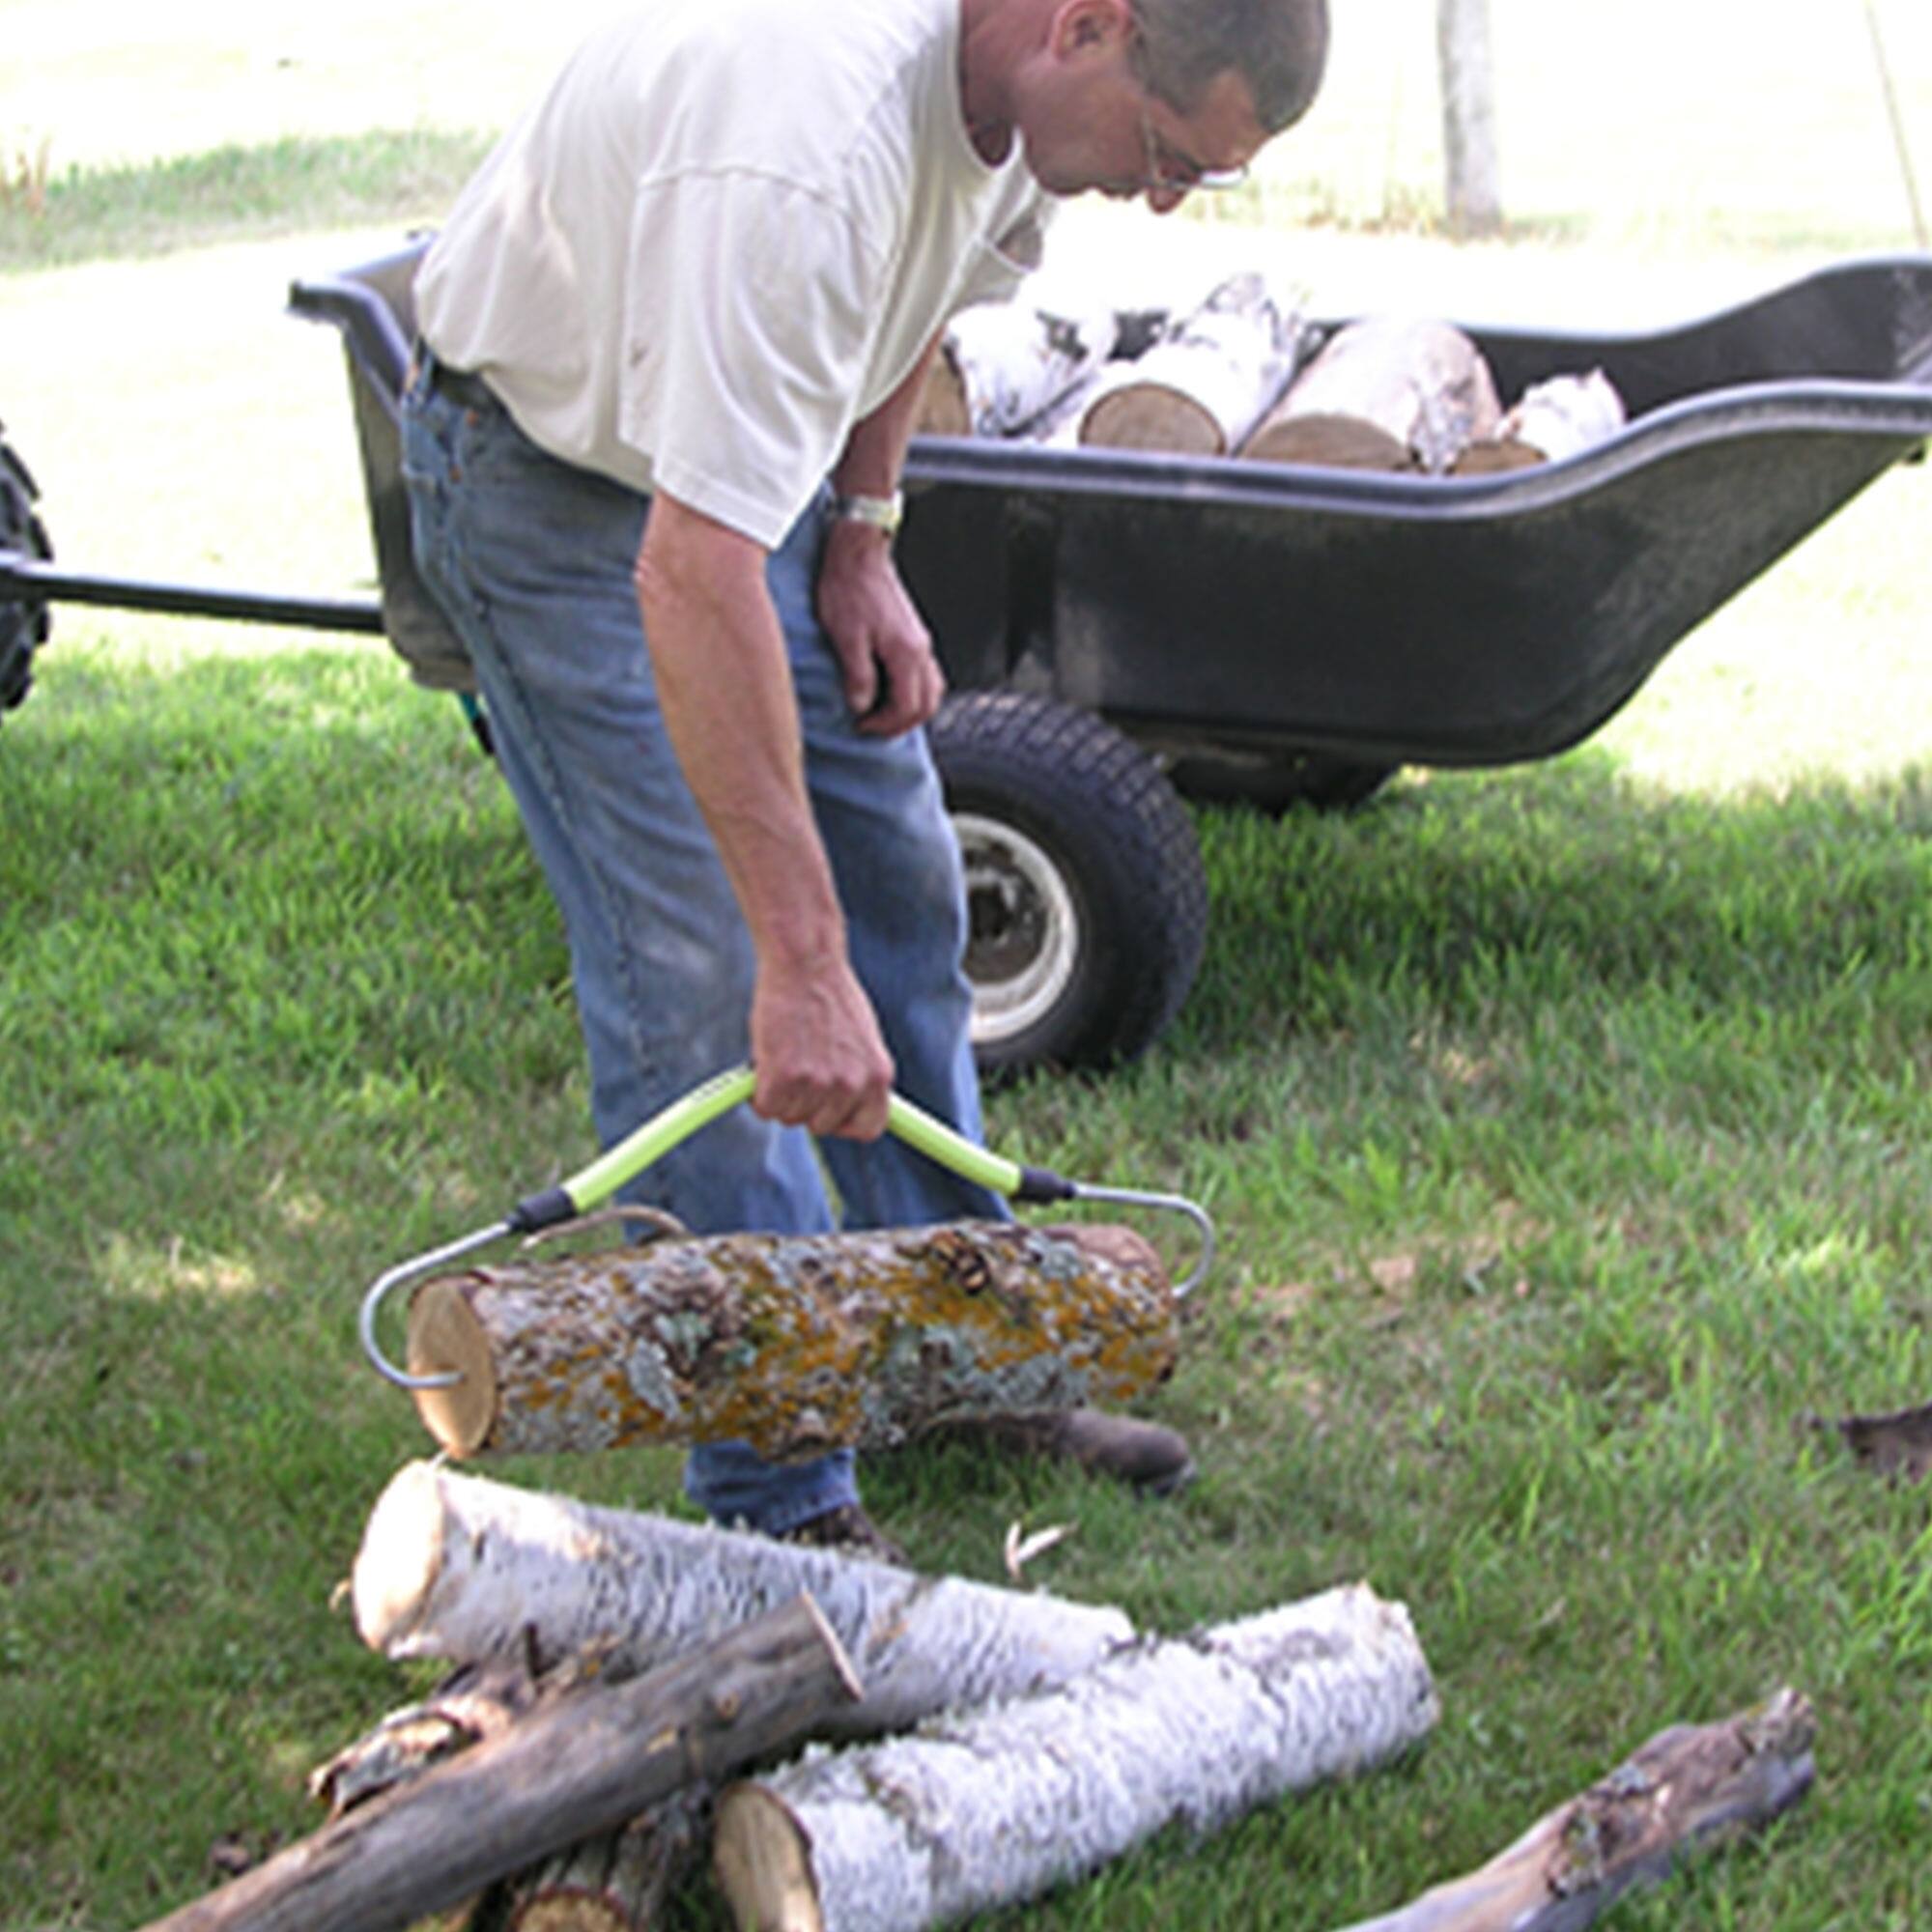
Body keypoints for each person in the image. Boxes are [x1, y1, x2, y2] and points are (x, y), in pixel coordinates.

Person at [401, 0, 1330, 1555]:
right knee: (709, 969)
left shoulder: (1024, 103)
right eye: (1170, 155)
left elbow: (922, 292)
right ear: (1089, 24)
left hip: (723, 476)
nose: (1162, 200)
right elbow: (687, 574)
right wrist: (801, 968)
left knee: (898, 868)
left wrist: (863, 532)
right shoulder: (806, 147)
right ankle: (785, 1504)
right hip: (551, 484)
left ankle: (955, 1359)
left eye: (1202, 181)